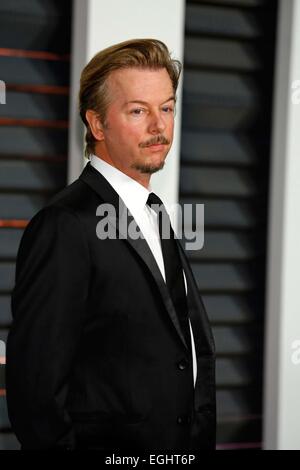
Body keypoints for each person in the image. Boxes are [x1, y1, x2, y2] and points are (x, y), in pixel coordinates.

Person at [5, 38, 216, 451]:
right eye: (138, 111)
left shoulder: (155, 211)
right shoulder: (66, 224)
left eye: (167, 107)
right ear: (97, 124)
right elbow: (36, 393)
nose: (159, 126)